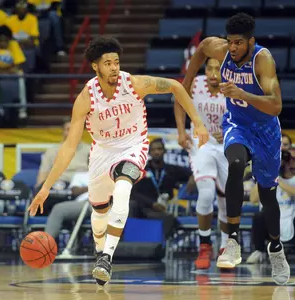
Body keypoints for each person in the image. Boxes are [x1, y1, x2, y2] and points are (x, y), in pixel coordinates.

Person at [28, 36, 208, 285]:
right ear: (95, 66)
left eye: (116, 62)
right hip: (102, 152)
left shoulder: (133, 84)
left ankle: (106, 258)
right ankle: (100, 250)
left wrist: (197, 122)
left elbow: (176, 87)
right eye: (108, 63)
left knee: (123, 190)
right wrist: (46, 187)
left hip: (132, 146)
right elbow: (69, 147)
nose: (114, 67)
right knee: (99, 210)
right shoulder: (86, 98)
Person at [182, 13, 290, 285]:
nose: (232, 48)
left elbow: (276, 106)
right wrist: (185, 84)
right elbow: (202, 50)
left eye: (239, 43)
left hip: (265, 132)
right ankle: (232, 240)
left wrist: (243, 94)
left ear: (251, 42)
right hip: (236, 125)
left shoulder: (263, 61)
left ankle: (276, 248)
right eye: (230, 42)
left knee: (268, 197)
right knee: (236, 165)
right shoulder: (219, 49)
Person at [174, 58, 229, 270]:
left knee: (227, 200)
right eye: (210, 68)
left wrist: (230, 130)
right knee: (206, 193)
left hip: (226, 144)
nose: (213, 73)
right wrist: (180, 130)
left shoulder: (234, 87)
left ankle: (225, 247)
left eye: (218, 69)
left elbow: (248, 116)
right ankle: (205, 246)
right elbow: (178, 101)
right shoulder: (195, 83)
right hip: (201, 141)